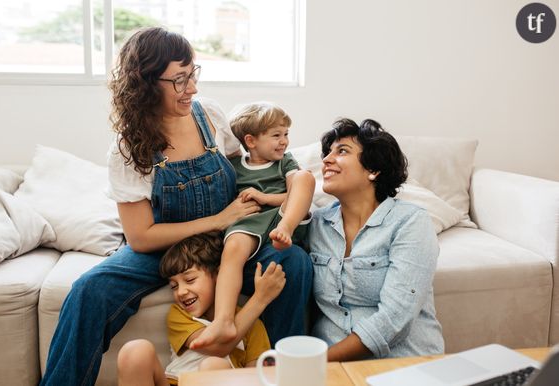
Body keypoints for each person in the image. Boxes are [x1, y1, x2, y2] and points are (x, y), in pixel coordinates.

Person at [40, 27, 313, 386]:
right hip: (165, 246)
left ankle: (287, 378)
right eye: (180, 80)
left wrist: (272, 199)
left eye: (193, 75)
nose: (193, 89)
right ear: (147, 83)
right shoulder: (128, 149)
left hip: (231, 238)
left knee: (293, 262)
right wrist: (216, 219)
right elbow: (140, 237)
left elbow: (244, 171)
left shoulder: (210, 117)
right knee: (89, 290)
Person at [308, 118, 444, 361]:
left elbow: (395, 318)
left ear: (373, 169)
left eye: (342, 151)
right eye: (328, 152)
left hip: (403, 364)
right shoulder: (316, 223)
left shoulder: (411, 222)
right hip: (333, 371)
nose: (327, 160)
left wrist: (314, 361)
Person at [191, 102, 315, 349]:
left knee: (305, 177)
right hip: (249, 221)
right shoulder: (234, 167)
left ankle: (286, 230)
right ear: (250, 141)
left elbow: (297, 193)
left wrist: (266, 198)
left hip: (282, 217)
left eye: (286, 134)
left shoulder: (285, 163)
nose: (284, 142)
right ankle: (224, 320)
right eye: (276, 135)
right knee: (234, 248)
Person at [117, 233, 285, 386]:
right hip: (174, 381)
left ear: (219, 276)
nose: (181, 292)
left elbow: (256, 377)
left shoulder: (253, 325)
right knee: (135, 351)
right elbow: (216, 346)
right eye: (174, 286)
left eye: (189, 280)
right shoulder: (180, 315)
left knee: (213, 365)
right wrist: (260, 299)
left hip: (222, 379)